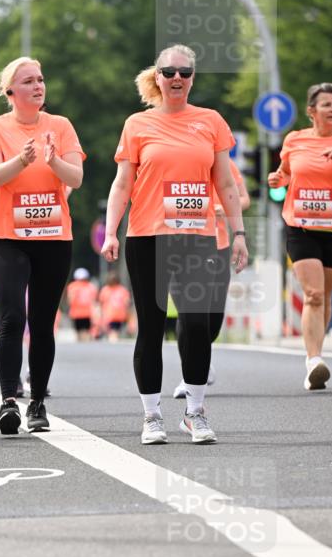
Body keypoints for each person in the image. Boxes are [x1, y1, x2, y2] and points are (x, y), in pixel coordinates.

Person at [101, 44, 248, 445]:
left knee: (197, 325)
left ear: (193, 78)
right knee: (150, 327)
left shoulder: (211, 121)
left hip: (197, 239)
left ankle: (195, 412)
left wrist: (238, 234)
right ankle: (151, 416)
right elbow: (122, 183)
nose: (177, 78)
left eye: (185, 72)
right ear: (158, 77)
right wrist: (112, 230)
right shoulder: (137, 124)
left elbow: (226, 184)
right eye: (169, 72)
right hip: (148, 236)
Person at [0, 56, 84, 434]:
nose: (38, 86)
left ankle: (37, 402)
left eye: (40, 79)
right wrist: (21, 160)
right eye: (28, 81)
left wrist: (53, 161)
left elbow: (77, 177)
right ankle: (8, 401)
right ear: (11, 92)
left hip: (53, 237)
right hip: (5, 237)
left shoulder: (61, 126)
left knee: (42, 322)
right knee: (11, 317)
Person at [268, 82, 332, 389]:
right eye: (326, 104)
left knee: (325, 295)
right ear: (311, 111)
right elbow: (286, 172)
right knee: (314, 295)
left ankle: (317, 352)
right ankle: (313, 360)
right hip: (300, 226)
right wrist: (278, 178)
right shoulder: (295, 139)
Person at [173, 157, 250, 396]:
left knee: (212, 318)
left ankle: (201, 360)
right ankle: (190, 376)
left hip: (217, 245)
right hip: (178, 244)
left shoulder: (224, 163)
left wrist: (223, 209)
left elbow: (244, 198)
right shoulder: (171, 159)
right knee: (187, 313)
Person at [99, 271, 133, 341]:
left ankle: (113, 342)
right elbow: (127, 303)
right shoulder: (122, 290)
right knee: (114, 332)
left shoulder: (106, 290)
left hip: (116, 315)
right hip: (112, 316)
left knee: (114, 332)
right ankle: (113, 341)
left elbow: (127, 304)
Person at [66, 268, 98, 341]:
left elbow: (70, 300)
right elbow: (94, 301)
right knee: (87, 332)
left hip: (76, 313)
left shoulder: (72, 286)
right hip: (87, 313)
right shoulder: (91, 286)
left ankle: (80, 347)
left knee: (78, 332)